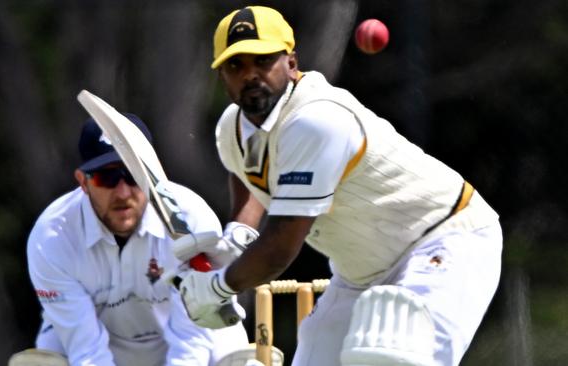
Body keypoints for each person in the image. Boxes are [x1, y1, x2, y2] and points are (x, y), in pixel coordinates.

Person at [175, 6, 502, 366]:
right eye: (236, 65)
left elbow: (281, 244)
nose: (251, 74)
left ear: (291, 62)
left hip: (444, 239)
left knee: (396, 357)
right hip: (361, 271)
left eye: (263, 59)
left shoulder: (316, 121)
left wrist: (220, 286)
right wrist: (239, 231)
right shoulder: (231, 128)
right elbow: (246, 172)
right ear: (222, 74)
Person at [25, 113, 248, 366]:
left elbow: (192, 340)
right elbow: (85, 350)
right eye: (106, 177)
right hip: (99, 343)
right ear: (83, 183)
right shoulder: (52, 237)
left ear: (150, 172)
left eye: (132, 174)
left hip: (197, 339)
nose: (122, 193)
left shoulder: (190, 218)